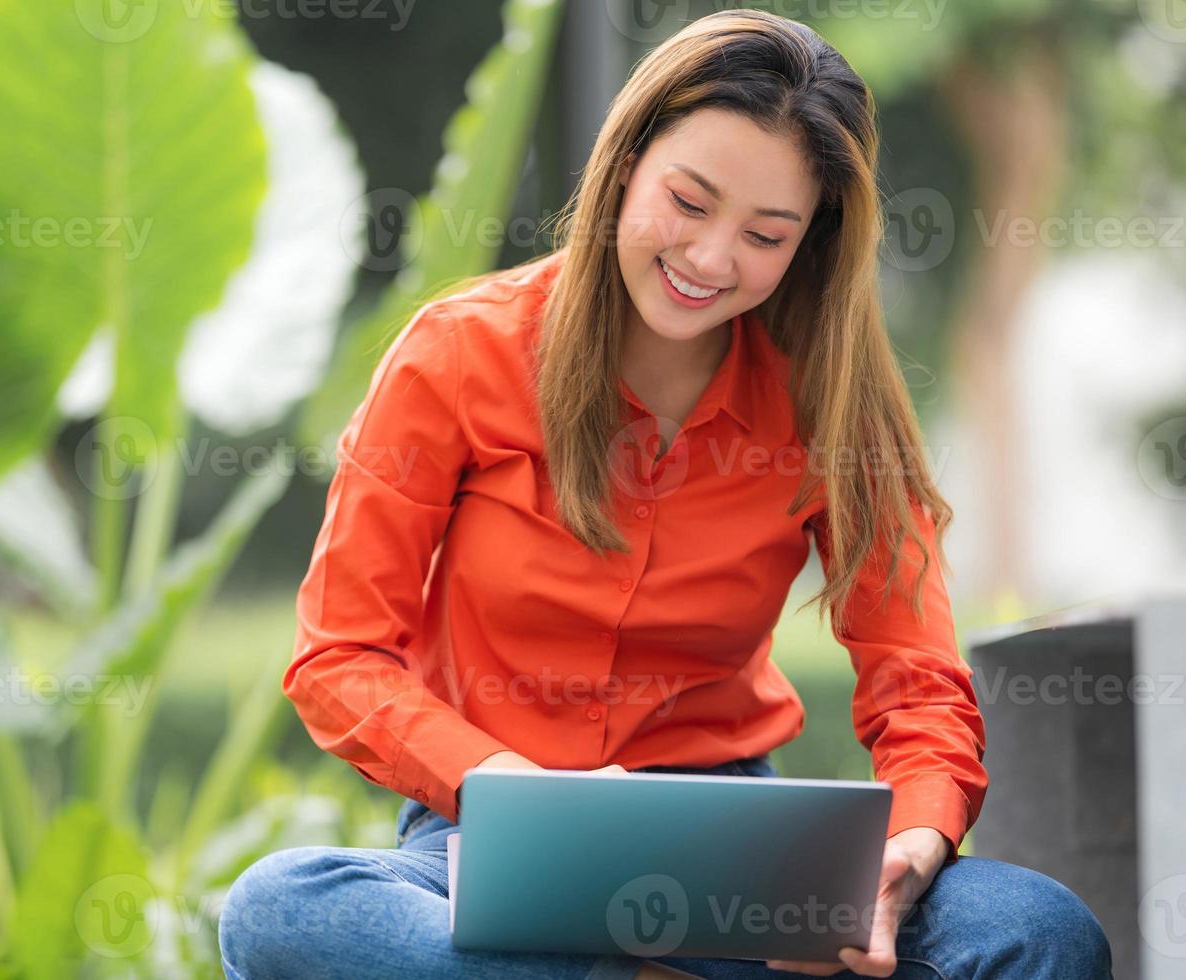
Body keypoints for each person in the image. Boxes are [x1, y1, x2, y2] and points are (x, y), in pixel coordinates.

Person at [218, 9, 1113, 979]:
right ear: (627, 162)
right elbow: (340, 656)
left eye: (766, 234)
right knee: (279, 908)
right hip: (493, 828)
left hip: (741, 853)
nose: (711, 259)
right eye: (688, 202)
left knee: (1040, 927)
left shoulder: (828, 396)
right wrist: (526, 795)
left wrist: (913, 844)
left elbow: (915, 676)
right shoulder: (456, 354)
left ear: (810, 243)